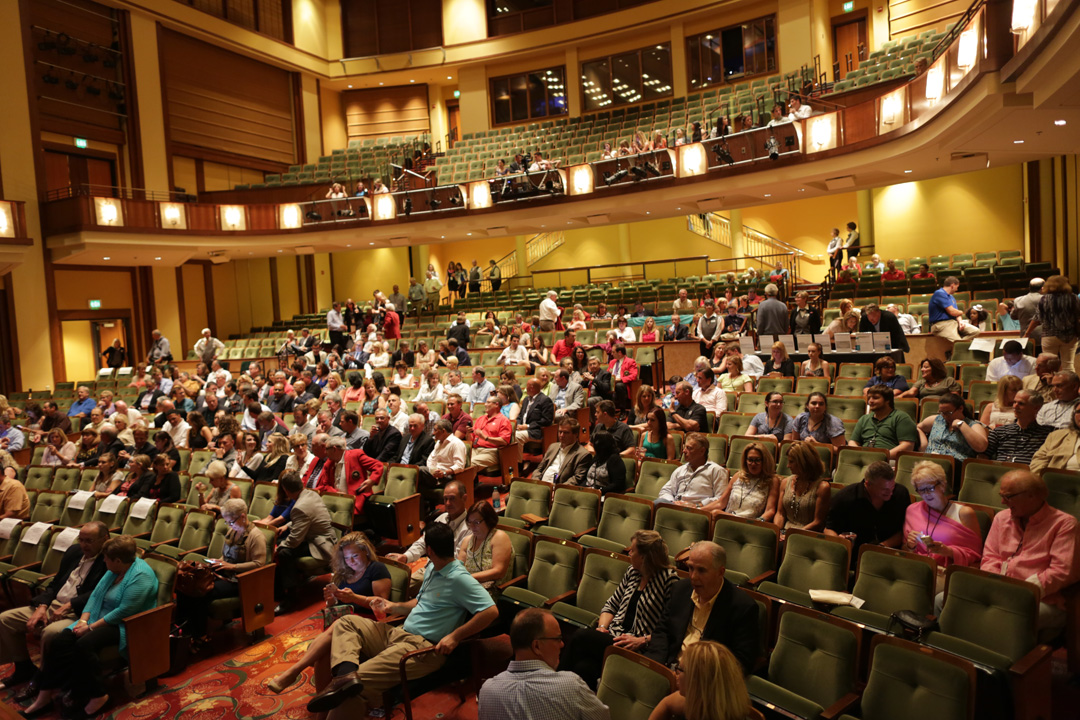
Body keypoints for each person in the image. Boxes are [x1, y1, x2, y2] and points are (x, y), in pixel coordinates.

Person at [306, 524, 499, 718]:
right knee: (347, 622)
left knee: (357, 684)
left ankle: (346, 684)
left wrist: (455, 636)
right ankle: (344, 676)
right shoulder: (433, 567)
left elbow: (491, 611)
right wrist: (393, 606)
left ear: (429, 550)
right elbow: (419, 603)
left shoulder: (459, 579)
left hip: (422, 648)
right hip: (399, 632)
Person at [21, 535, 158, 717]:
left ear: (118, 560)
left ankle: (98, 695)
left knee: (83, 644)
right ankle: (47, 695)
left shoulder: (141, 576)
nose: (104, 562)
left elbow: (123, 612)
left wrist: (90, 628)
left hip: (126, 624)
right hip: (98, 617)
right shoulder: (115, 569)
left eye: (106, 559)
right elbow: (95, 596)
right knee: (60, 640)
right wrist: (84, 621)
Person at [267, 532, 392, 694]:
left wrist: (354, 597)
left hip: (369, 624)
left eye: (355, 556)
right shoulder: (343, 573)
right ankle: (322, 699)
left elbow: (382, 604)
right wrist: (332, 601)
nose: (351, 561)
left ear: (365, 551)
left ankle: (293, 671)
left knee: (337, 629)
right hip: (344, 621)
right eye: (346, 558)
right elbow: (337, 607)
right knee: (324, 654)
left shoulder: (376, 569)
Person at [561, 530, 677, 689]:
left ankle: (553, 683)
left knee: (581, 636)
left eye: (633, 550)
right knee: (584, 668)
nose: (629, 553)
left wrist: (641, 640)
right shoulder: (632, 572)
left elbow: (671, 628)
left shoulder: (668, 579)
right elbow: (611, 605)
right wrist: (602, 627)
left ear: (644, 557)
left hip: (638, 647)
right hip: (614, 636)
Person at [0, 521, 108, 690]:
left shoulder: (108, 560)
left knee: (50, 632)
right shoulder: (74, 551)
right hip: (54, 604)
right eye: (81, 540)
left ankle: (43, 678)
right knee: (6, 619)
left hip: (78, 612)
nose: (83, 545)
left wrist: (68, 606)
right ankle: (23, 667)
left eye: (89, 541)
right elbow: (55, 582)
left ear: (104, 539)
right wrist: (42, 606)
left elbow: (98, 593)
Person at [979, 470, 1079, 638]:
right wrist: (998, 589)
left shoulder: (1064, 524)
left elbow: (1061, 571)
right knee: (944, 600)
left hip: (1042, 598)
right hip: (1000, 592)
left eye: (1008, 496)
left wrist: (1021, 592)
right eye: (1001, 496)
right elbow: (990, 558)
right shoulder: (1001, 518)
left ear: (1032, 495)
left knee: (1002, 619)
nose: (1002, 502)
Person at [645, 541, 758, 674]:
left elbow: (741, 661)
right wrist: (657, 667)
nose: (693, 577)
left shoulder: (742, 607)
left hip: (704, 677)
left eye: (701, 570)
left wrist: (694, 676)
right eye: (691, 568)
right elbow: (662, 631)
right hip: (668, 666)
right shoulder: (680, 589)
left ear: (720, 572)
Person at [479, 608, 611, 720]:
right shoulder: (571, 686)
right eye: (557, 639)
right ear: (536, 646)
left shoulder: (486, 691)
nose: (562, 644)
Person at [175, 499, 267, 649]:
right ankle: (183, 631)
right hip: (224, 573)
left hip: (241, 580)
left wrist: (232, 566)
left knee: (201, 592)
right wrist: (218, 561)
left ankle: (199, 635)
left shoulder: (256, 536)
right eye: (227, 522)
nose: (229, 525)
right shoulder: (233, 531)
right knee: (187, 585)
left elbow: (259, 564)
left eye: (231, 522)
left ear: (243, 517)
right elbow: (226, 555)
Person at [274, 471, 337, 613]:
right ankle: (278, 590)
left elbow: (294, 541)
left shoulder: (299, 507)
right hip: (315, 537)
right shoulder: (311, 494)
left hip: (320, 544)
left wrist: (277, 549)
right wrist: (287, 526)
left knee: (284, 552)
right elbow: (307, 518)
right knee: (282, 542)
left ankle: (290, 597)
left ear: (285, 490)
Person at [902, 462, 982, 569]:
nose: (926, 494)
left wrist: (949, 551)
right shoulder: (912, 510)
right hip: (917, 567)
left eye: (930, 488)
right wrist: (910, 546)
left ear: (943, 486)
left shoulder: (964, 513)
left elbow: (976, 554)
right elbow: (904, 550)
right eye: (921, 489)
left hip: (948, 571)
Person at [648, 640, 753, 720]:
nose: (676, 673)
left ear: (697, 680)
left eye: (680, 669)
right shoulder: (699, 700)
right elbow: (667, 703)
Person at [825, 461, 910, 559]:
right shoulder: (845, 497)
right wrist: (839, 541)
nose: (890, 492)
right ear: (868, 484)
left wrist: (882, 546)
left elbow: (904, 531)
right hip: (854, 555)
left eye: (892, 487)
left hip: (891, 553)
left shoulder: (900, 493)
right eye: (884, 489)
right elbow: (828, 529)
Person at [1025, 275, 1080, 373]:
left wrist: (1027, 332)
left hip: (1049, 335)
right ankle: (1069, 382)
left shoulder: (1044, 299)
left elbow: (1037, 319)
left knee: (1048, 365)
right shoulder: (1073, 298)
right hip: (1070, 336)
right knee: (1068, 364)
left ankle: (1049, 382)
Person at [656, 433, 729, 507]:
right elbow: (666, 490)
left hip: (698, 510)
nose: (684, 451)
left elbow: (720, 499)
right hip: (675, 507)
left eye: (689, 448)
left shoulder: (716, 471)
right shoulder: (680, 469)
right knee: (658, 503)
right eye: (684, 447)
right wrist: (673, 502)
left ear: (702, 451)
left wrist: (697, 505)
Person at [711, 442, 778, 521]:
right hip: (728, 519)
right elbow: (721, 503)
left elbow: (770, 510)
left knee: (716, 514)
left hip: (750, 523)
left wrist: (759, 521)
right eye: (750, 460)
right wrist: (700, 510)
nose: (753, 464)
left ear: (765, 461)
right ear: (745, 460)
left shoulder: (772, 481)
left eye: (757, 460)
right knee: (714, 514)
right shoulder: (738, 476)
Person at [458, 501, 512, 599]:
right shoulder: (467, 541)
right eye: (469, 522)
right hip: (468, 587)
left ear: (488, 520)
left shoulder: (499, 537)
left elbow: (499, 571)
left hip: (492, 591)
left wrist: (468, 578)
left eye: (476, 522)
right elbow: (459, 569)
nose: (472, 527)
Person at [774, 441, 830, 533]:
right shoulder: (785, 482)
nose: (788, 466)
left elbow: (818, 522)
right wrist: (778, 532)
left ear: (803, 462)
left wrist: (791, 534)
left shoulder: (822, 487)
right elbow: (780, 514)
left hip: (807, 534)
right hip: (785, 532)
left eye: (791, 462)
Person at [849, 386, 918, 460]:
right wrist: (860, 456)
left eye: (875, 398)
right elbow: (853, 442)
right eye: (869, 398)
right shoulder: (864, 419)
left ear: (888, 400)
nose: (870, 401)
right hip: (863, 459)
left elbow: (907, 446)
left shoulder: (901, 417)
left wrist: (881, 457)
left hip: (889, 460)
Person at [985, 390, 1052, 465]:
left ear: (1036, 408)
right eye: (1014, 402)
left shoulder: (1047, 434)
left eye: (1021, 403)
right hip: (1001, 470)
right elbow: (983, 455)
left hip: (1029, 471)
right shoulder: (999, 431)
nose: (1015, 406)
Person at [535, 417, 592, 485]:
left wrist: (557, 489)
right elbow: (539, 469)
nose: (561, 435)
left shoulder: (583, 455)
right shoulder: (553, 447)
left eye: (566, 433)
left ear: (576, 434)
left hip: (559, 488)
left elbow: (577, 479)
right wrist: (535, 482)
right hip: (541, 484)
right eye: (560, 432)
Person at [1031, 404, 1080, 474]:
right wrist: (1041, 477)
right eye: (1079, 412)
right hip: (1053, 478)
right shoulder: (1056, 436)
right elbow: (1039, 459)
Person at [929, 276, 980, 342]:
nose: (957, 289)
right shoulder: (939, 293)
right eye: (957, 287)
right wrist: (961, 312)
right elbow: (952, 312)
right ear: (952, 285)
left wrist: (960, 322)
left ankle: (959, 344)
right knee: (957, 341)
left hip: (954, 322)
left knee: (975, 331)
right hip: (941, 324)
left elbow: (957, 314)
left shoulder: (951, 297)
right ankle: (958, 344)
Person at [897, 358, 962, 399]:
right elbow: (911, 392)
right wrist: (899, 396)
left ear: (935, 369)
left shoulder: (948, 380)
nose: (922, 369)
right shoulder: (921, 382)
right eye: (922, 367)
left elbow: (955, 398)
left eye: (926, 367)